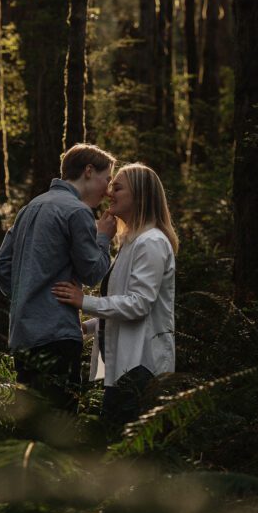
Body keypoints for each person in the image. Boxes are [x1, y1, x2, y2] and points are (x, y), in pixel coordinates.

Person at [52, 163, 177, 430]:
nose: (110, 194)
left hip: (143, 368)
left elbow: (139, 305)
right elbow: (124, 308)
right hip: (123, 368)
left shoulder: (151, 242)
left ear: (140, 195)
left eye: (117, 187)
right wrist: (88, 326)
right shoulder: (131, 242)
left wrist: (83, 301)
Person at [0, 143, 117, 411]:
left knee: (29, 421)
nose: (108, 190)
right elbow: (92, 273)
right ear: (88, 171)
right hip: (56, 335)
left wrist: (26, 295)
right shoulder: (77, 211)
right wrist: (104, 237)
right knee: (59, 424)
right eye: (106, 179)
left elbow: (1, 265)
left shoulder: (30, 207)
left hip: (23, 335)